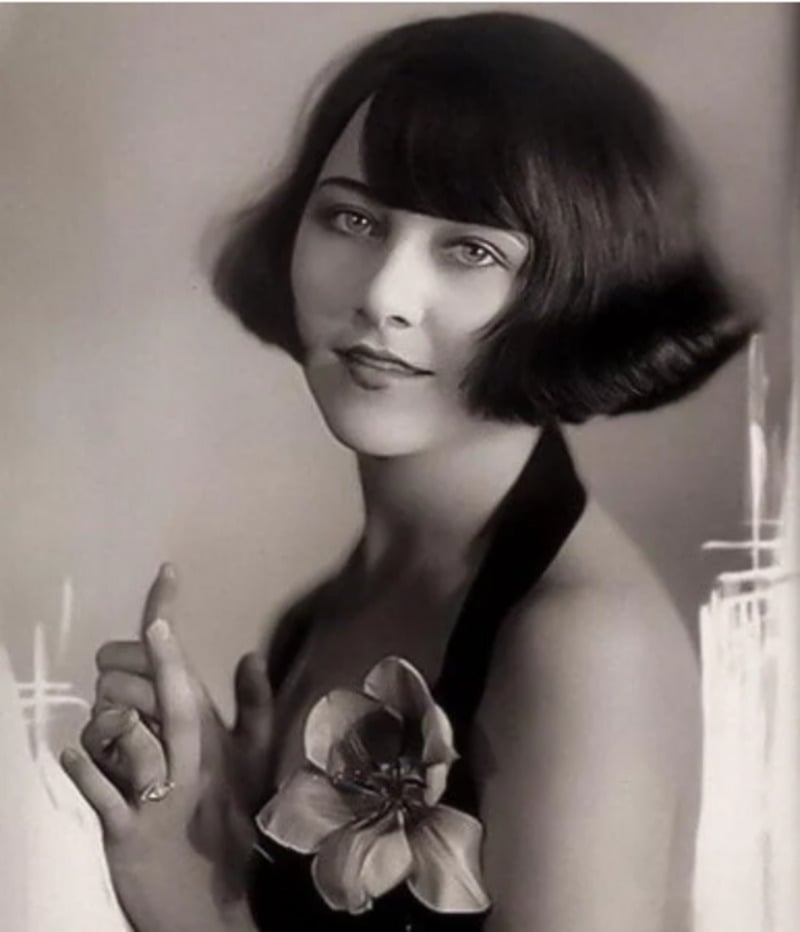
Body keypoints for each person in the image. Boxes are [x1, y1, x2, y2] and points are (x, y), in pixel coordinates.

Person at [61, 11, 755, 932]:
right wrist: (222, 843)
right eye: (353, 217)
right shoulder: (318, 616)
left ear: (575, 295)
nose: (384, 295)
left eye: (472, 249)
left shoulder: (583, 647)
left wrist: (187, 908)